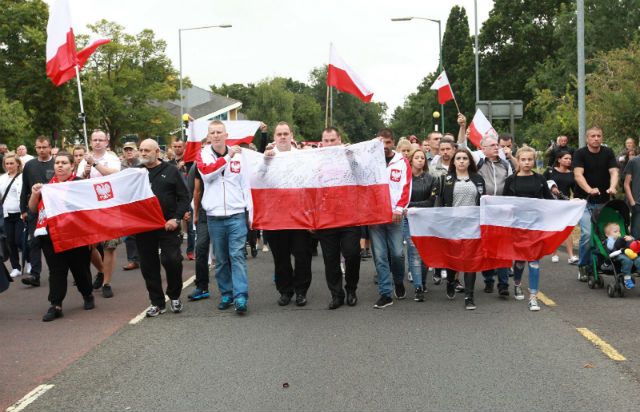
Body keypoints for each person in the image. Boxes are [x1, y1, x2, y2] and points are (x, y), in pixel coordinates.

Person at [28, 151, 94, 321]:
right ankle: (55, 304)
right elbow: (33, 209)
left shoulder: (80, 184)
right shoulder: (47, 186)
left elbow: (90, 208)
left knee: (80, 269)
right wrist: (35, 193)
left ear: (72, 166)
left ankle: (87, 294)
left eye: (64, 163)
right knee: (56, 271)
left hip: (75, 236)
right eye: (57, 163)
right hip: (51, 236)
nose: (60, 165)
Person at [196, 120, 252, 314]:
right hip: (214, 216)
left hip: (236, 214)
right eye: (213, 132)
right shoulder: (202, 154)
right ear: (209, 136)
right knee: (220, 259)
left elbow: (246, 184)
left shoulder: (240, 156)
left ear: (226, 134)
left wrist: (250, 212)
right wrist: (228, 156)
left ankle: (241, 296)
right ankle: (226, 293)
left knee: (237, 255)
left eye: (220, 132)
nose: (217, 135)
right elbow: (208, 173)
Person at [458, 113, 513, 296]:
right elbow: (462, 148)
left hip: (503, 211)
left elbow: (511, 184)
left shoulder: (505, 165)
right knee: (487, 247)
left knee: (503, 248)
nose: (497, 148)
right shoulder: (478, 161)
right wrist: (462, 127)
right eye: (492, 145)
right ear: (482, 148)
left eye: (497, 145)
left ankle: (503, 285)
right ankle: (489, 280)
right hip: (484, 211)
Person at [136, 139, 189, 317]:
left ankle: (174, 296)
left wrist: (176, 218)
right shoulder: (135, 174)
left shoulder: (171, 171)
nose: (143, 153)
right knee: (148, 265)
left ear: (157, 152)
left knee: (172, 260)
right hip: (144, 227)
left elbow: (184, 197)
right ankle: (157, 302)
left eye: (147, 150)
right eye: (141, 150)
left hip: (168, 225)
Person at [263, 122, 313, 306]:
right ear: (274, 137)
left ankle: (301, 291)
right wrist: (264, 162)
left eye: (286, 133)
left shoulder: (302, 156)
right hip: (275, 217)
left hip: (298, 216)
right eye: (279, 134)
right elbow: (256, 180)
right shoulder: (266, 157)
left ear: (292, 135)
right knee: (280, 257)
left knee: (302, 256)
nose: (282, 137)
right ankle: (285, 291)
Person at [316, 127, 362, 309]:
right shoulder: (316, 160)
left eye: (332, 140)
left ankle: (351, 289)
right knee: (330, 258)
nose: (329, 144)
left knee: (352, 254)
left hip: (349, 215)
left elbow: (361, 174)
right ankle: (337, 294)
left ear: (339, 140)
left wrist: (351, 156)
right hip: (326, 216)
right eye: (325, 140)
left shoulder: (349, 156)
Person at [503, 147, 554, 310]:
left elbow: (550, 200)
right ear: (517, 160)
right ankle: (517, 284)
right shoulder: (511, 180)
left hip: (535, 226)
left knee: (534, 260)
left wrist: (571, 204)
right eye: (523, 160)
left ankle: (533, 296)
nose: (526, 163)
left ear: (534, 161)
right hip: (517, 226)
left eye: (529, 160)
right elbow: (504, 202)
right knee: (519, 260)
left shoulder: (539, 179)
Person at [77, 130, 122, 298]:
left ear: (106, 142)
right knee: (89, 245)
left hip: (109, 204)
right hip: (90, 205)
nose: (97, 142)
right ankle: (102, 271)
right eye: (94, 140)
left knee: (109, 246)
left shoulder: (112, 158)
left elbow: (114, 173)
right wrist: (85, 172)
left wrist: (94, 164)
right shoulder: (85, 159)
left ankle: (107, 283)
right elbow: (79, 181)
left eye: (100, 140)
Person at [440, 148, 486, 310]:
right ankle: (451, 281)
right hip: (452, 225)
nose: (461, 161)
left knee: (470, 260)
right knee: (453, 258)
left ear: (469, 161)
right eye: (458, 158)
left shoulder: (478, 179)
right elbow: (439, 204)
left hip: (472, 225)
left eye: (464, 158)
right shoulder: (446, 180)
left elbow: (483, 203)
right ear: (453, 162)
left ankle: (469, 296)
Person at [371, 128, 411, 309]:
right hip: (375, 217)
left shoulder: (401, 162)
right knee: (380, 256)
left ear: (393, 142)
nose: (385, 147)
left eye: (387, 143)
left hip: (395, 216)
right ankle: (385, 293)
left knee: (397, 253)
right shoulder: (369, 162)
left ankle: (398, 281)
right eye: (381, 143)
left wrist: (399, 208)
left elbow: (406, 187)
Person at [573, 126, 618, 282]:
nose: (596, 138)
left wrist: (613, 186)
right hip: (584, 202)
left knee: (603, 235)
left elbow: (614, 172)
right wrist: (589, 189)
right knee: (586, 234)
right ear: (587, 138)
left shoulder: (608, 152)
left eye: (599, 135)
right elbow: (578, 175)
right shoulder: (580, 154)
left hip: (603, 202)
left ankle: (602, 263)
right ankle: (583, 265)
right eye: (593, 136)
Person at [403, 148, 438, 301]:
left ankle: (422, 282)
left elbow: (431, 202)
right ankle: (418, 287)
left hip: (425, 218)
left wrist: (411, 206)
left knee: (424, 253)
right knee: (413, 250)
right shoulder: (404, 179)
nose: (420, 160)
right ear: (410, 160)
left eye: (422, 158)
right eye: (417, 157)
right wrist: (408, 208)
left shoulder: (431, 179)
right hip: (408, 219)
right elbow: (400, 200)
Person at [19, 136, 54, 287]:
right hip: (34, 209)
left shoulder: (57, 163)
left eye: (44, 147)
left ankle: (58, 271)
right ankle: (35, 275)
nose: (41, 150)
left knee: (53, 241)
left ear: (50, 147)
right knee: (34, 242)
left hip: (53, 209)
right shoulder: (29, 165)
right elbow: (25, 188)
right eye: (38, 147)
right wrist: (23, 209)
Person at [187, 137, 213, 301]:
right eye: (204, 145)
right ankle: (202, 286)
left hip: (224, 213)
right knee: (201, 248)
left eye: (209, 145)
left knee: (227, 252)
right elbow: (195, 191)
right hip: (204, 212)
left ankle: (232, 289)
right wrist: (195, 213)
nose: (207, 148)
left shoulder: (227, 162)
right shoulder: (197, 165)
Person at [544, 151, 578, 264]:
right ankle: (554, 253)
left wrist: (576, 200)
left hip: (565, 203)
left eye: (570, 158)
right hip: (552, 203)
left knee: (567, 230)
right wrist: (551, 187)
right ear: (559, 160)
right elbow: (542, 184)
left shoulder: (571, 174)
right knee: (555, 228)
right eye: (565, 158)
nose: (568, 160)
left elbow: (575, 190)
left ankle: (571, 255)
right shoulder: (550, 171)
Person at [0, 153, 24, 278]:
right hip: (7, 214)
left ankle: (29, 260)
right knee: (10, 241)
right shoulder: (2, 178)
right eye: (7, 163)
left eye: (11, 163)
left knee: (19, 240)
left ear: (18, 164)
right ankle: (16, 267)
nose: (9, 166)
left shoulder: (23, 177)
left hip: (20, 214)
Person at [120, 142, 141, 271]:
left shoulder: (142, 163)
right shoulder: (122, 164)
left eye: (131, 150)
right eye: (126, 150)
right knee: (129, 232)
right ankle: (133, 260)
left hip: (140, 200)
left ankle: (145, 258)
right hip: (127, 201)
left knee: (143, 232)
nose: (129, 152)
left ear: (136, 151)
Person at [603, 222, 637, 290]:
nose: (618, 233)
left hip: (625, 253)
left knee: (636, 259)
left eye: (619, 231)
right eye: (615, 231)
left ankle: (629, 273)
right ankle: (627, 279)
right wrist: (618, 240)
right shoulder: (609, 240)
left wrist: (630, 239)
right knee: (627, 261)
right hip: (615, 254)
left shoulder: (622, 238)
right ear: (607, 234)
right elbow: (610, 247)